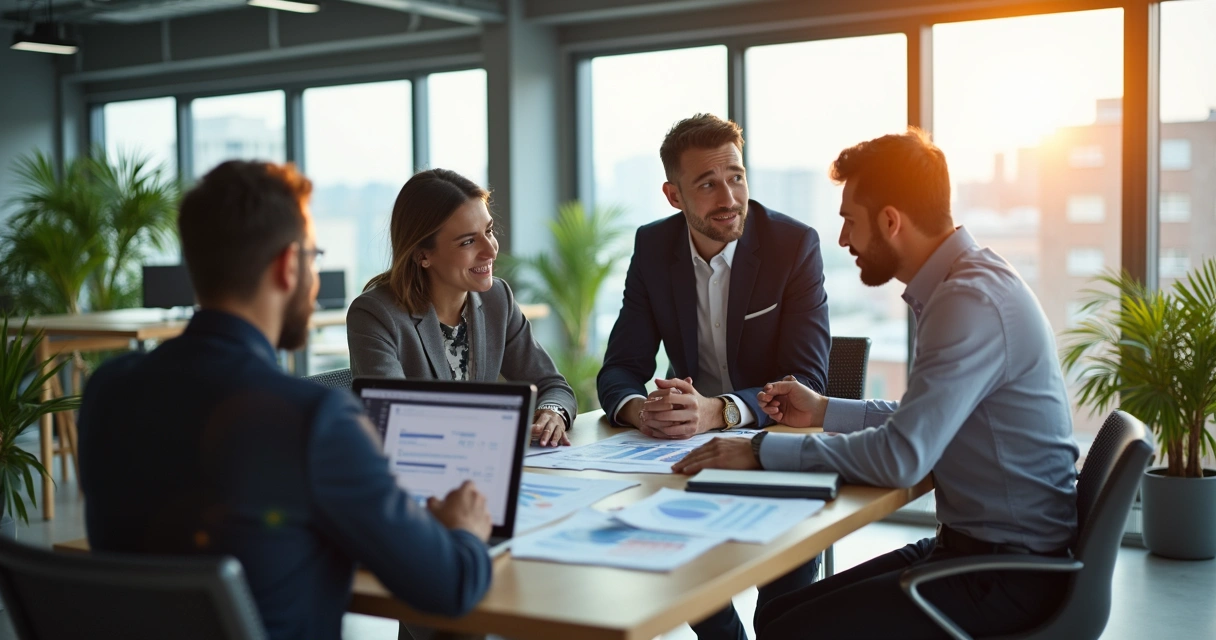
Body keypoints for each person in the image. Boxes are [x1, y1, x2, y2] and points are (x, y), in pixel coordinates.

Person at [673, 129, 1080, 640]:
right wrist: (824, 409)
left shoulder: (967, 302)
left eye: (849, 221)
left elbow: (901, 457)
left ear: (891, 222)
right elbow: (922, 420)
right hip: (976, 550)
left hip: (1007, 574)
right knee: (779, 615)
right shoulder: (966, 284)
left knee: (786, 630)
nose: (843, 240)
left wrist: (760, 450)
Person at [77, 161, 494, 640]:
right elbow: (452, 586)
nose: (315, 279)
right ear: (287, 266)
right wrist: (465, 529)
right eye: (313, 258)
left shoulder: (108, 391)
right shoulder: (314, 422)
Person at [596, 113, 831, 640]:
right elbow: (620, 367)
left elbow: (808, 375)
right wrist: (642, 410)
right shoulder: (654, 248)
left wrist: (719, 410)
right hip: (686, 453)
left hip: (781, 440)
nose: (730, 196)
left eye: (737, 176)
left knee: (783, 613)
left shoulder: (792, 244)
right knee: (665, 555)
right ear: (673, 195)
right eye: (707, 183)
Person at [348, 169, 577, 447]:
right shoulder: (375, 315)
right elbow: (396, 421)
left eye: (489, 231)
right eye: (468, 241)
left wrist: (552, 413)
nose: (491, 250)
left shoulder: (497, 299)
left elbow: (553, 386)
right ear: (423, 255)